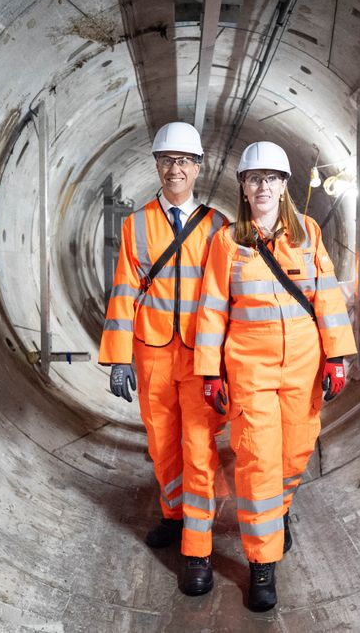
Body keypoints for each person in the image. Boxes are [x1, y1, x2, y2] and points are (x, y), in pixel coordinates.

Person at [194, 141, 357, 612]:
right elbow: (212, 310)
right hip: (250, 366)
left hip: (304, 364)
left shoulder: (306, 232)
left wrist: (337, 356)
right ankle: (262, 564)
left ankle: (279, 510)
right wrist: (210, 370)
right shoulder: (228, 242)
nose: (263, 186)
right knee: (258, 459)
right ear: (242, 187)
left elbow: (326, 296)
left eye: (272, 178)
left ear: (284, 185)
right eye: (254, 178)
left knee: (296, 450)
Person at [98, 122, 227, 596]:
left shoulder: (218, 227)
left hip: (199, 357)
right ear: (156, 165)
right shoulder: (135, 225)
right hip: (151, 353)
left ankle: (197, 550)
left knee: (198, 450)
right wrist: (118, 357)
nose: (176, 169)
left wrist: (225, 362)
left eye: (184, 161)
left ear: (198, 168)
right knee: (162, 447)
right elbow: (124, 293)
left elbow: (227, 299)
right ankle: (175, 516)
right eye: (167, 160)